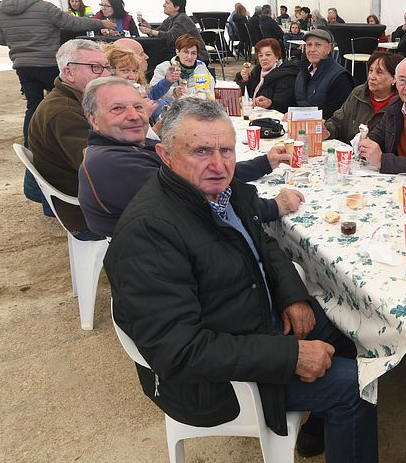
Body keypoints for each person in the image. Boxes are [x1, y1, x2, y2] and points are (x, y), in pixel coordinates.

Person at [104, 98, 378, 463]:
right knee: (357, 387)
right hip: (215, 381)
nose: (219, 165)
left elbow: (261, 241)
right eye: (201, 151)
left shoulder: (221, 193)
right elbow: (179, 351)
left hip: (251, 322)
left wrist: (291, 295)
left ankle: (321, 422)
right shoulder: (149, 232)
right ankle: (337, 407)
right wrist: (290, 355)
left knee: (350, 328)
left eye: (226, 151)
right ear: (165, 155)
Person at [78, 78, 300, 237]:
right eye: (118, 109)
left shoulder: (127, 146)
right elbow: (203, 205)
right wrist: (272, 207)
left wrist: (264, 163)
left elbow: (202, 174)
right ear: (94, 120)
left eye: (138, 106)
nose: (134, 116)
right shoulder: (114, 165)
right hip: (177, 254)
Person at [0, 0, 113, 145]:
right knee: (66, 102)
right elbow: (72, 23)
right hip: (47, 63)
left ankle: (31, 143)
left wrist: (19, 41)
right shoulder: (45, 7)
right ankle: (72, 140)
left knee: (33, 105)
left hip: (22, 65)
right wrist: (100, 23)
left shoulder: (1, 10)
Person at [27, 39, 111, 239]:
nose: (107, 74)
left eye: (107, 67)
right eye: (96, 68)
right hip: (87, 214)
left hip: (89, 199)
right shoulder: (64, 112)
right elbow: (100, 169)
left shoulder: (75, 100)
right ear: (69, 72)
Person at [324, 51, 402, 144]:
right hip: (349, 152)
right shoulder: (359, 93)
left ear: (394, 78)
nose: (372, 77)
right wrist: (327, 130)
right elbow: (338, 121)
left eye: (379, 72)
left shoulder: (399, 104)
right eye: (370, 71)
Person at [293, 29, 355, 119]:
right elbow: (294, 102)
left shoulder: (340, 77)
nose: (312, 49)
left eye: (318, 45)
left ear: (328, 49)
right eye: (309, 45)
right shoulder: (302, 73)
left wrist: (301, 116)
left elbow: (336, 113)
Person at [149, 34, 215, 117]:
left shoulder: (201, 66)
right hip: (170, 113)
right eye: (185, 52)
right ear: (177, 52)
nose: (189, 57)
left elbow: (208, 89)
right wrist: (174, 91)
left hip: (197, 110)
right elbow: (152, 93)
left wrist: (186, 92)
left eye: (193, 53)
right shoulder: (163, 67)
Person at [138, 0, 209, 62]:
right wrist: (148, 27)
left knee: (158, 55)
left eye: (167, 3)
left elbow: (171, 37)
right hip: (180, 53)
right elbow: (159, 34)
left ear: (177, 7)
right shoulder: (169, 20)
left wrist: (150, 31)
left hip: (196, 57)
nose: (164, 5)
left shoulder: (183, 19)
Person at [235, 38, 299, 112]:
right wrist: (245, 80)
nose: (264, 58)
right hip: (254, 112)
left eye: (268, 55)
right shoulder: (257, 71)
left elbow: (284, 105)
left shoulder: (286, 76)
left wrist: (270, 103)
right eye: (260, 55)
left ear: (277, 56)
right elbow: (247, 95)